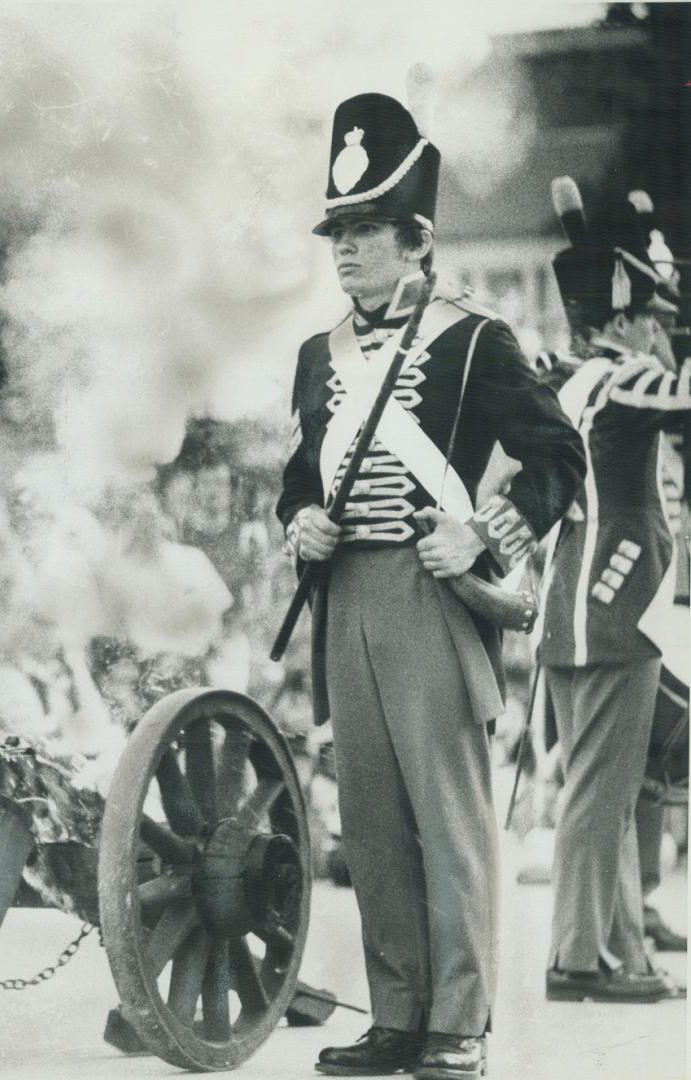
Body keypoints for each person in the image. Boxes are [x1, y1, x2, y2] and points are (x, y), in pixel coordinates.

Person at [278, 94, 583, 1080]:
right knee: (370, 818)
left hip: (428, 591)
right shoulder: (314, 359)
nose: (346, 250)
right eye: (339, 232)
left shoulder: (472, 338)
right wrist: (300, 519)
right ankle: (398, 1015)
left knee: (447, 821)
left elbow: (555, 454)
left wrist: (480, 531)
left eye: (364, 230)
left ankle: (460, 1022)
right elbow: (300, 471)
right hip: (346, 602)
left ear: (416, 239)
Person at [534, 180, 689, 1003]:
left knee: (609, 791)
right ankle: (574, 959)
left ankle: (618, 955)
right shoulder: (619, 378)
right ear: (623, 320)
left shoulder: (570, 376)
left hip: (574, 609)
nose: (662, 334)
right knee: (601, 798)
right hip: (616, 613)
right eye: (655, 319)